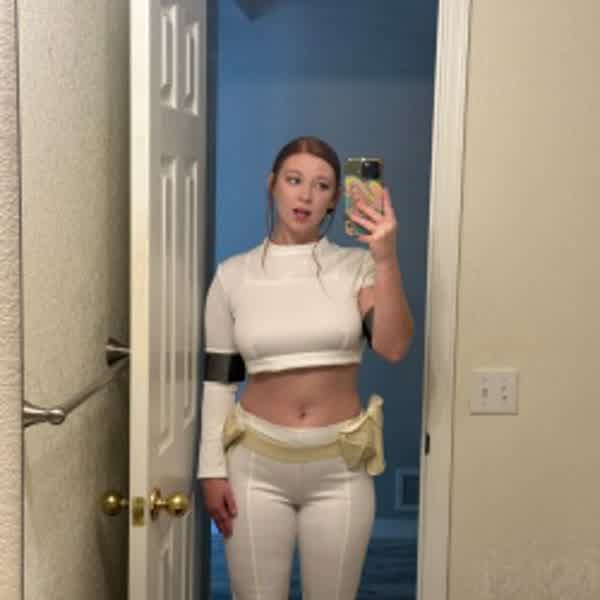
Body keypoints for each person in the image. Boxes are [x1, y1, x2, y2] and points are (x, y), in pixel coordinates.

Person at [197, 136, 414, 599]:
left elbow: (394, 347)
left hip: (340, 469)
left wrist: (386, 258)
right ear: (272, 184)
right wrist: (210, 471)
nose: (306, 195)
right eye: (294, 180)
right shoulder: (233, 276)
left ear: (335, 199)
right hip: (254, 468)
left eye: (322, 185)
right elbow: (218, 384)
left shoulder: (357, 267)